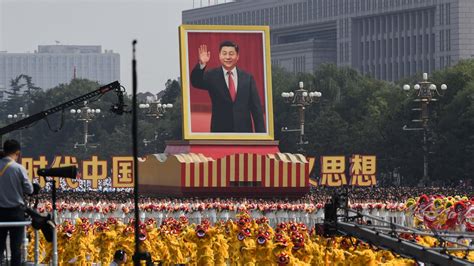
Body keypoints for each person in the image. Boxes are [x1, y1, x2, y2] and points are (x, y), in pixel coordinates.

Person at [190, 40, 265, 133]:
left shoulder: (247, 78)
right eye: (224, 53)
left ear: (237, 56)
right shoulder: (211, 75)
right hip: (220, 132)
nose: (228, 57)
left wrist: (261, 136)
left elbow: (256, 108)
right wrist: (202, 64)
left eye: (231, 54)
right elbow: (195, 82)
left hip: (244, 133)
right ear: (219, 56)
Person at [0, 139, 33, 265]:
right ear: (17, 152)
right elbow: (29, 190)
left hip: (0, 212)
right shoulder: (19, 168)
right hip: (16, 213)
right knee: (16, 248)